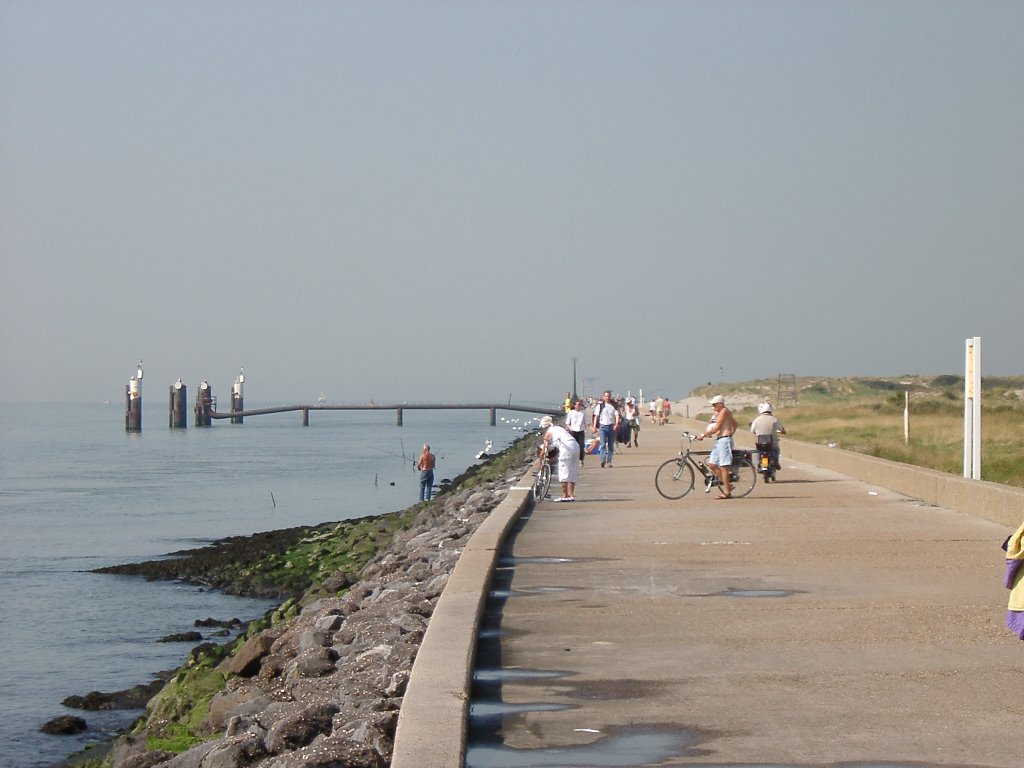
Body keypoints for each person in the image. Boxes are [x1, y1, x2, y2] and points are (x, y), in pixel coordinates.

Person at [697, 395, 737, 499]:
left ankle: (727, 492)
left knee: (724, 467)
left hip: (724, 441)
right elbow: (735, 423)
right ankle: (728, 486)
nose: (713, 406)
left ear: (720, 404)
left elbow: (717, 428)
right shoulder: (719, 413)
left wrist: (703, 435)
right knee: (712, 465)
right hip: (719, 440)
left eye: (714, 404)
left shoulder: (724, 412)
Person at [539, 415, 580, 501]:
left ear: (544, 427)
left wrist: (540, 461)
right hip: (575, 445)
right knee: (573, 469)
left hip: (566, 448)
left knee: (563, 470)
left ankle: (565, 495)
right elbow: (558, 444)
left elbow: (544, 451)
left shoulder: (548, 433)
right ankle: (571, 495)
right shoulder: (558, 428)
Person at [750, 401, 786, 471]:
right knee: (776, 449)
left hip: (760, 443)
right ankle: (776, 461)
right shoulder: (774, 419)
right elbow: (782, 429)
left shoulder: (756, 420)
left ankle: (758, 463)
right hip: (772, 443)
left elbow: (752, 430)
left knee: (759, 451)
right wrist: (783, 431)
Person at [592, 390, 621, 468]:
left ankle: (609, 461)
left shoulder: (614, 405)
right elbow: (596, 416)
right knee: (603, 444)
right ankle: (602, 460)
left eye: (608, 396)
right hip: (603, 427)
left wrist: (616, 424)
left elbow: (617, 415)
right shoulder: (600, 406)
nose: (607, 397)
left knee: (611, 445)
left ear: (610, 397)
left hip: (611, 426)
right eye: (606, 396)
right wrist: (594, 427)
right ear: (603, 397)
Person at [564, 399, 587, 466]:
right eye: (578, 405)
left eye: (580, 405)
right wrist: (570, 429)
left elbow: (586, 422)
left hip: (581, 431)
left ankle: (581, 459)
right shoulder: (571, 413)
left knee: (581, 446)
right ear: (574, 405)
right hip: (573, 431)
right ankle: (572, 459)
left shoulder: (583, 413)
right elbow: (568, 423)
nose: (579, 406)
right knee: (572, 446)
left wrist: (592, 428)